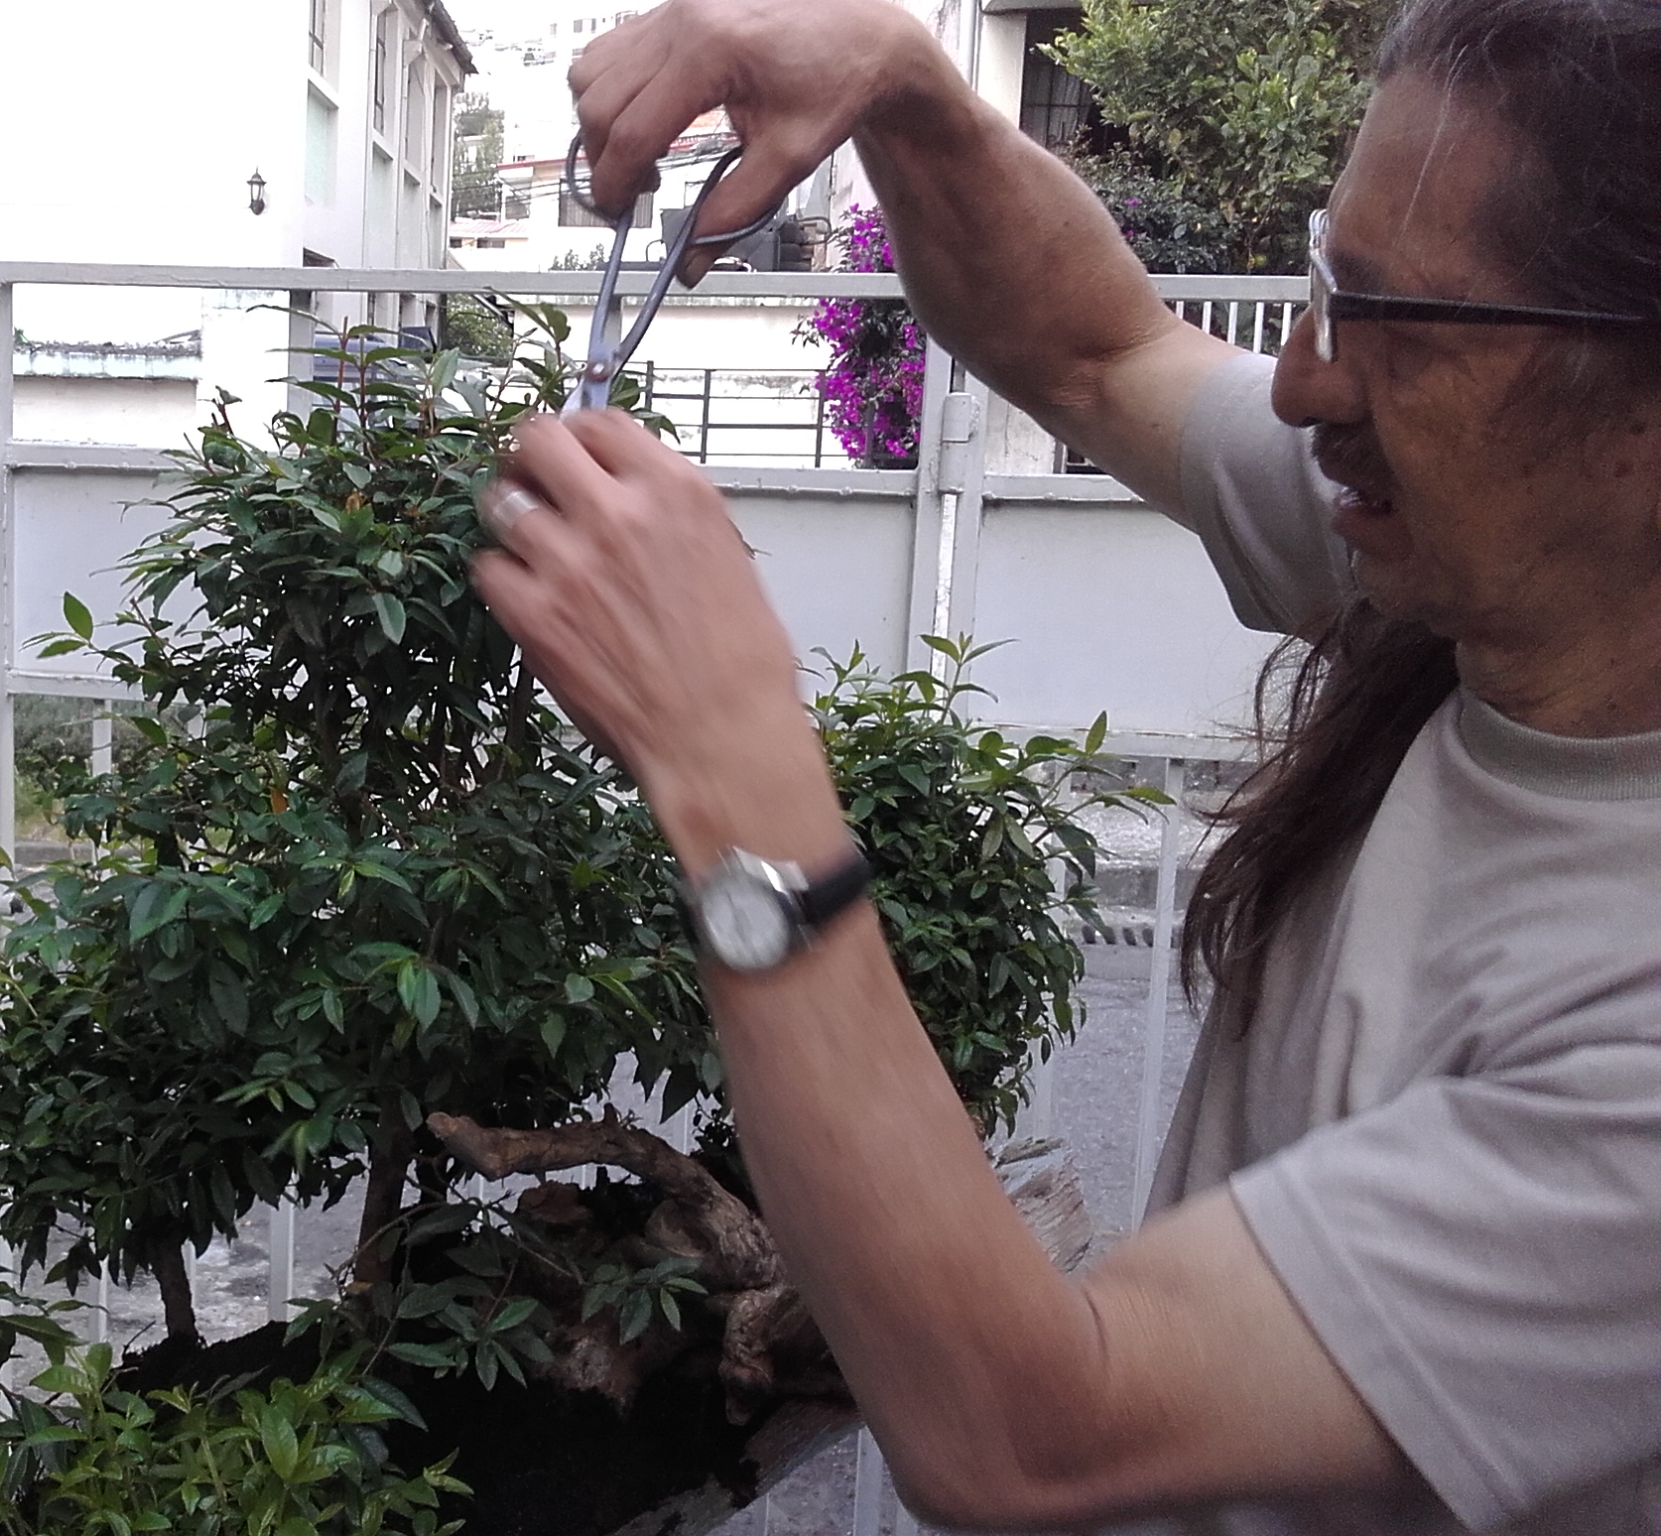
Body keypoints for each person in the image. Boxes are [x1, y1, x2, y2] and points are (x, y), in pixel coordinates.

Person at [470, 0, 1661, 1529]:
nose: (1306, 382)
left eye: (1402, 325)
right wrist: (902, 83)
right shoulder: (1469, 565)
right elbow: (1101, 351)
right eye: (1327, 282)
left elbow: (1031, 1430)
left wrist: (728, 765)